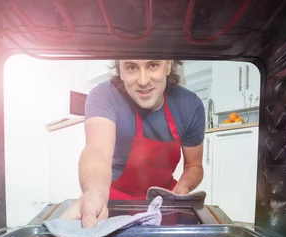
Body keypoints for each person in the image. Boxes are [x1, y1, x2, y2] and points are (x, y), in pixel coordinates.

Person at [61, 60, 206, 227]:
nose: (143, 81)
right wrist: (94, 193)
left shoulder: (189, 105)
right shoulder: (104, 96)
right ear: (120, 70)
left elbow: (194, 167)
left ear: (168, 65)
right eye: (131, 67)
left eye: (153, 65)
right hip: (113, 203)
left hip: (162, 205)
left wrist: (183, 187)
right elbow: (97, 152)